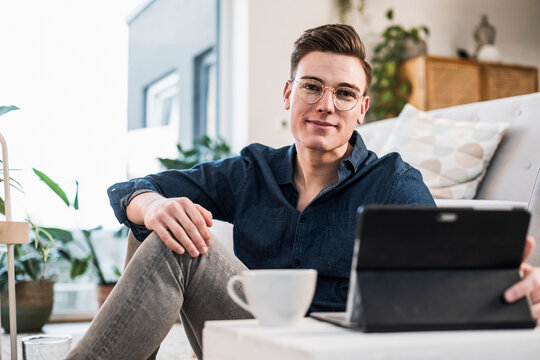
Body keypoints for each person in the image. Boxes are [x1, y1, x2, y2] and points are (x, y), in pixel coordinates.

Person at [67, 24, 540, 360]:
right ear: (289, 93)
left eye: (345, 94)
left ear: (362, 109)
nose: (326, 106)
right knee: (160, 222)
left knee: (174, 242)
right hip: (253, 333)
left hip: (337, 349)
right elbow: (128, 190)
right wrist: (153, 205)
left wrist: (499, 285)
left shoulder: (395, 182)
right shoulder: (252, 170)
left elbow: (441, 274)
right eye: (312, 87)